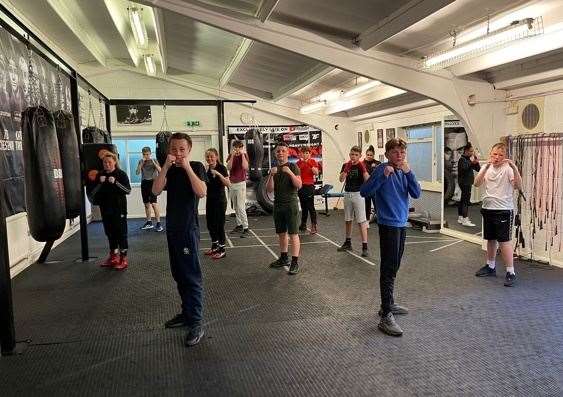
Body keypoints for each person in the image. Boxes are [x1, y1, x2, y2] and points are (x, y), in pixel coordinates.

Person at [360, 138, 421, 337]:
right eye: (395, 152)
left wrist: (409, 172)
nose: (400, 156)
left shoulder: (404, 171)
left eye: (402, 152)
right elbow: (364, 191)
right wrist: (383, 176)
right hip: (388, 224)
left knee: (394, 265)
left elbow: (417, 193)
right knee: (388, 267)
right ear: (387, 154)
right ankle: (385, 315)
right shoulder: (381, 169)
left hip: (402, 224)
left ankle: (389, 303)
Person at [152, 133, 208, 347]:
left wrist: (186, 167)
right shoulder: (169, 170)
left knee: (191, 277)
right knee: (179, 274)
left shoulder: (196, 166)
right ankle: (186, 314)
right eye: (174, 149)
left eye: (182, 149)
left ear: (189, 150)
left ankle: (196, 322)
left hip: (187, 230)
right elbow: (155, 190)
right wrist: (164, 167)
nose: (177, 153)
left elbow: (201, 192)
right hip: (172, 230)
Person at [473, 142, 522, 287]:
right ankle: (490, 266)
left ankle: (510, 272)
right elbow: (476, 183)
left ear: (505, 157)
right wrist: (486, 166)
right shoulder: (486, 168)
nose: (497, 157)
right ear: (490, 154)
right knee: (490, 239)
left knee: (504, 241)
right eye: (495, 154)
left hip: (503, 210)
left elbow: (518, 186)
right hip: (488, 208)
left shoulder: (508, 169)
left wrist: (514, 167)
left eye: (501, 155)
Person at [90, 152, 131, 271]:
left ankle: (123, 259)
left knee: (121, 233)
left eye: (109, 162)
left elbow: (128, 190)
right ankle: (113, 257)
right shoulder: (100, 175)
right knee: (110, 233)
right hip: (105, 209)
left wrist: (116, 183)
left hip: (119, 209)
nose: (107, 164)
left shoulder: (121, 174)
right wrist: (100, 183)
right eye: (104, 162)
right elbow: (93, 193)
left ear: (114, 162)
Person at [267, 142, 302, 275]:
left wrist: (290, 173)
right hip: (278, 204)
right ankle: (283, 258)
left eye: (283, 151)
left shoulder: (293, 166)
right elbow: (269, 190)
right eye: (278, 151)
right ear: (275, 154)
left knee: (293, 233)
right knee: (281, 233)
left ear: (287, 153)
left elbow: (299, 185)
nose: (280, 153)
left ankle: (294, 262)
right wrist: (271, 175)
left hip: (290, 203)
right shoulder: (274, 169)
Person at [338, 145, 370, 257]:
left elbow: (368, 180)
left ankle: (365, 246)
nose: (354, 156)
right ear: (349, 154)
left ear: (360, 156)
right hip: (347, 193)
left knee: (362, 220)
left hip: (359, 194)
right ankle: (348, 242)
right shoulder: (346, 165)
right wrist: (346, 169)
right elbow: (341, 179)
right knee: (348, 219)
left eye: (356, 155)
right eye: (352, 154)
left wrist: (363, 169)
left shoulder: (362, 165)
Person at [204, 148, 230, 259]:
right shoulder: (206, 169)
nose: (209, 158)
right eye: (207, 157)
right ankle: (215, 246)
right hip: (210, 199)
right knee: (210, 224)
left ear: (216, 157)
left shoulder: (221, 168)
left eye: (211, 156)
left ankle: (222, 249)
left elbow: (228, 183)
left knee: (219, 225)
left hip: (220, 200)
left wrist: (218, 174)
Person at [136, 147, 163, 232]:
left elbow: (160, 170)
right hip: (144, 183)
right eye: (144, 154)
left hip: (153, 183)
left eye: (147, 154)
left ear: (150, 154)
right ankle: (149, 222)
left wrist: (154, 163)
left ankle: (159, 224)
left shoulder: (154, 160)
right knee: (146, 204)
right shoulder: (141, 161)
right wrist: (141, 163)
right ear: (142, 154)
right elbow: (137, 173)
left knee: (154, 204)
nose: (146, 156)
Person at [227, 140, 250, 237]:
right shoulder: (231, 155)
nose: (236, 149)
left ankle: (246, 227)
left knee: (241, 207)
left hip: (241, 183)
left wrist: (242, 154)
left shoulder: (244, 156)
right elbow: (229, 167)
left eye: (239, 147)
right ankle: (239, 224)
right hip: (232, 183)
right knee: (235, 206)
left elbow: (245, 167)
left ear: (241, 148)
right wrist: (232, 155)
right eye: (235, 147)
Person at [296, 146, 321, 234]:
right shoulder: (298, 163)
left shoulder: (313, 161)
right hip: (301, 186)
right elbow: (297, 174)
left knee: (310, 206)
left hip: (309, 186)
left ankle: (314, 225)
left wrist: (308, 163)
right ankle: (303, 224)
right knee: (303, 207)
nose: (305, 154)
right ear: (301, 154)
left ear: (310, 154)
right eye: (304, 153)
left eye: (307, 153)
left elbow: (316, 172)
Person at [457, 143, 481, 227]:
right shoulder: (462, 160)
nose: (472, 152)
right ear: (466, 151)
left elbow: (478, 169)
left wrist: (476, 161)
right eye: (470, 151)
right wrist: (472, 161)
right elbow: (464, 168)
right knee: (465, 201)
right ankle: (465, 219)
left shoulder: (468, 159)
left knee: (463, 199)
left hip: (467, 182)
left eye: (472, 151)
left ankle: (460, 217)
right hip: (464, 183)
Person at [362, 145, 381, 223]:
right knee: (367, 205)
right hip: (366, 187)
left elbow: (380, 174)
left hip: (375, 187)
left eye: (371, 155)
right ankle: (366, 220)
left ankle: (380, 219)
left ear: (373, 155)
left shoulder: (378, 163)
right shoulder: (362, 163)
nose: (369, 156)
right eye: (368, 155)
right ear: (366, 155)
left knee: (377, 204)